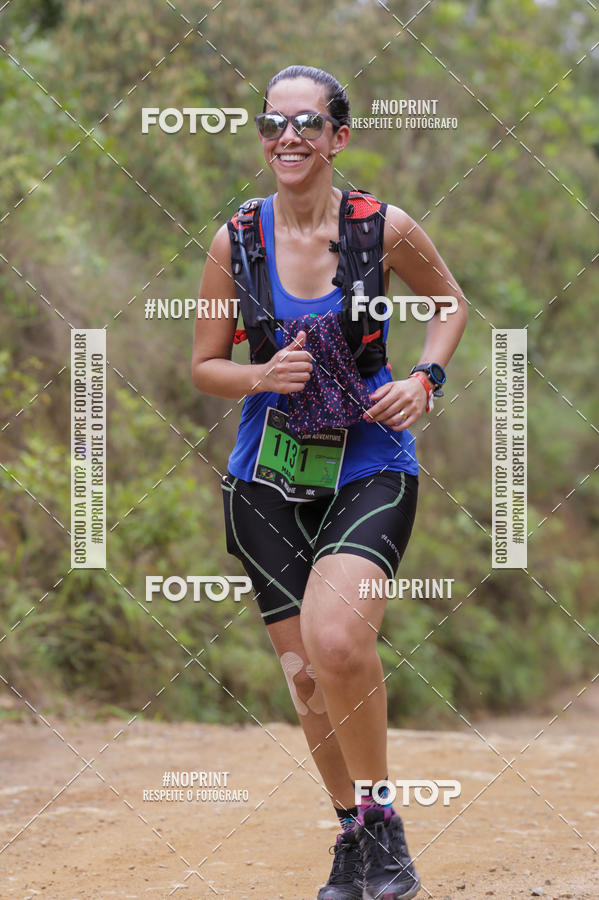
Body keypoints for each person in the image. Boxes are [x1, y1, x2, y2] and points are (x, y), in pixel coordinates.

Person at [192, 64, 467, 900]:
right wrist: (260, 375)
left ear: (338, 137)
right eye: (273, 123)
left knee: (339, 642)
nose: (288, 137)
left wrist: (425, 380)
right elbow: (205, 366)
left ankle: (385, 824)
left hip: (369, 462)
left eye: (307, 123)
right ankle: (353, 836)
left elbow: (449, 303)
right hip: (266, 478)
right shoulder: (237, 241)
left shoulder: (381, 229)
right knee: (306, 677)